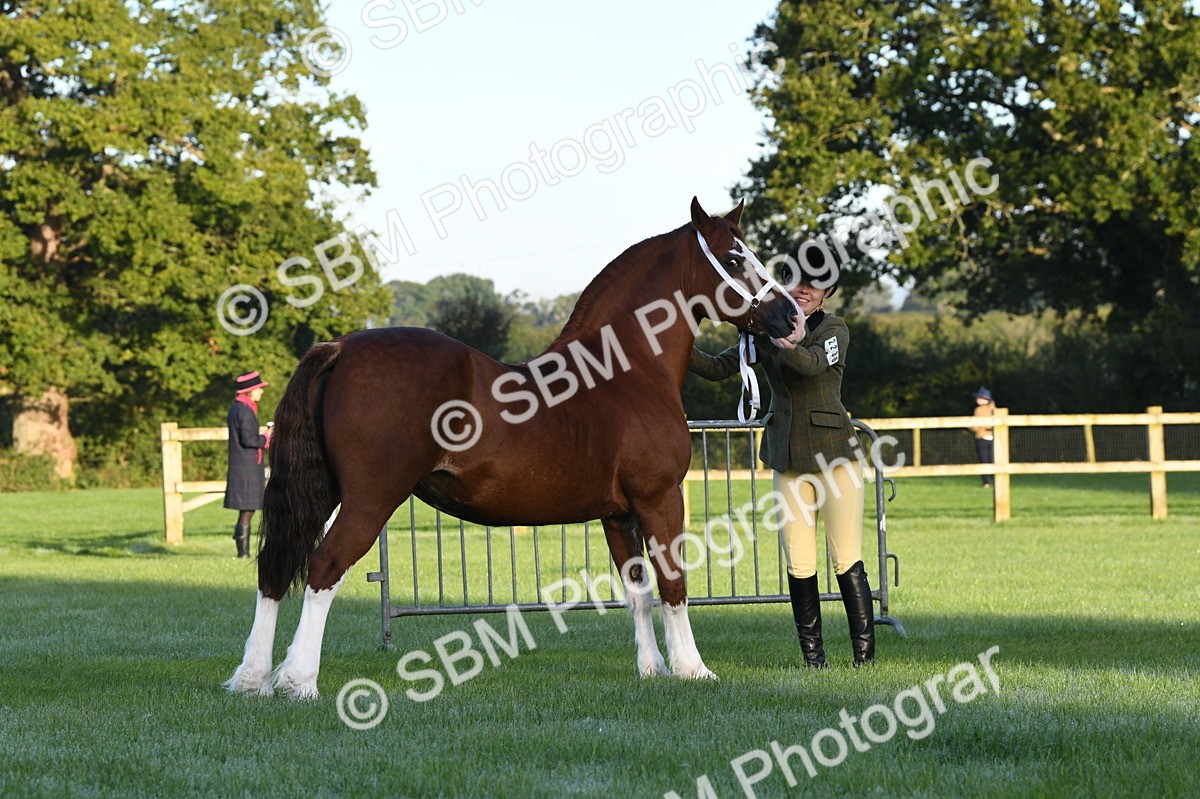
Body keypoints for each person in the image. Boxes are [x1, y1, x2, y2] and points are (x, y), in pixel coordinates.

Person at [688, 248, 875, 668]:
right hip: (786, 458)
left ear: (827, 293)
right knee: (799, 561)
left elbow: (809, 365)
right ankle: (814, 660)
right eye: (796, 279)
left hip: (836, 461)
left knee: (846, 558)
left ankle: (864, 658)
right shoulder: (761, 330)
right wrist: (678, 346)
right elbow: (719, 369)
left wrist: (780, 340)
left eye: (815, 282)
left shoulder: (835, 329)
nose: (804, 288)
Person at [225, 371, 271, 559]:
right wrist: (267, 437)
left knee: (247, 509)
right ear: (250, 391)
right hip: (247, 465)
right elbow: (249, 439)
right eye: (259, 389)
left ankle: (241, 548)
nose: (261, 392)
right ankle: (242, 553)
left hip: (244, 464)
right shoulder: (244, 410)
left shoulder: (239, 408)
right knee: (247, 509)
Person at [971, 387, 996, 487]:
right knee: (994, 460)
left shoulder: (978, 410)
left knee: (984, 460)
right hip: (994, 437)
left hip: (982, 437)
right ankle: (996, 481)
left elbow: (975, 426)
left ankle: (986, 482)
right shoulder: (994, 409)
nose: (977, 399)